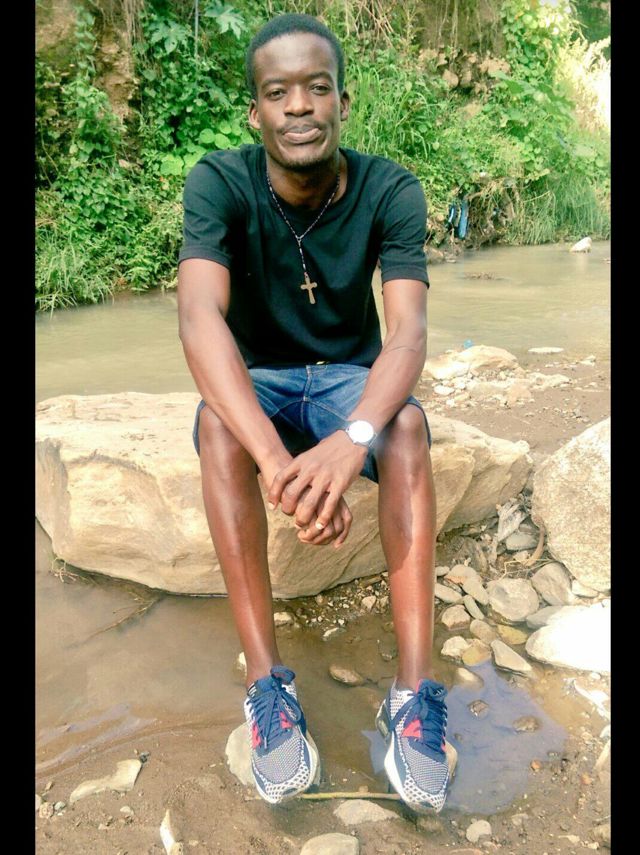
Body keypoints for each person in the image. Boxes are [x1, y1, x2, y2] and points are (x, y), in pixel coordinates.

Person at [177, 12, 450, 813]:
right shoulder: (219, 182)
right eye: (278, 92)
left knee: (407, 426)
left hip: (346, 381)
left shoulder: (390, 188)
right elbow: (199, 319)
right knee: (216, 423)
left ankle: (413, 694)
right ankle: (267, 686)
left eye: (317, 87)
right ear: (255, 112)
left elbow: (408, 332)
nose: (299, 106)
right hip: (257, 380)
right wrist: (278, 463)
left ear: (342, 101)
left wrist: (351, 439)